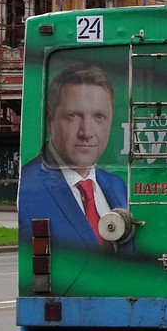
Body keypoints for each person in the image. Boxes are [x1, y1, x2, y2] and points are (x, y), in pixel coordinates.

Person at [18, 63, 128, 248]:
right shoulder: (27, 188)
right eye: (74, 115)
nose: (87, 132)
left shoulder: (117, 185)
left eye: (99, 116)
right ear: (50, 120)